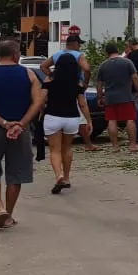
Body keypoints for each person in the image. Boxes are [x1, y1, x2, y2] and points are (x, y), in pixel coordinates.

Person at [0, 40, 43, 231]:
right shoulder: (29, 74)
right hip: (20, 132)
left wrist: (4, 123)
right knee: (16, 173)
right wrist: (20, 123)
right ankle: (9, 215)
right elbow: (37, 103)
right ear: (15, 55)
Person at [42, 52, 92, 193]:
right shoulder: (77, 82)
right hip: (71, 119)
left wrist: (39, 112)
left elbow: (42, 99)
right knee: (67, 148)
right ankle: (68, 178)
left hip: (53, 117)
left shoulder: (49, 80)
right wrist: (88, 120)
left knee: (55, 150)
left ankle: (59, 175)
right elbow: (82, 104)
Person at [41, 34, 96, 150]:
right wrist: (85, 82)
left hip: (58, 89)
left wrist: (52, 76)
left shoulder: (57, 55)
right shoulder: (78, 55)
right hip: (74, 87)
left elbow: (43, 66)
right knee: (80, 116)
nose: (80, 46)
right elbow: (86, 69)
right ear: (75, 44)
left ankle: (80, 143)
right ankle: (87, 144)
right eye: (79, 44)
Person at [96, 42, 138, 153]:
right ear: (117, 50)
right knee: (130, 119)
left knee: (112, 120)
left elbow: (99, 83)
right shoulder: (127, 62)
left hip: (110, 97)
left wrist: (100, 97)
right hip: (126, 96)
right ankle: (132, 145)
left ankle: (115, 146)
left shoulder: (103, 65)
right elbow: (135, 77)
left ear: (107, 53)